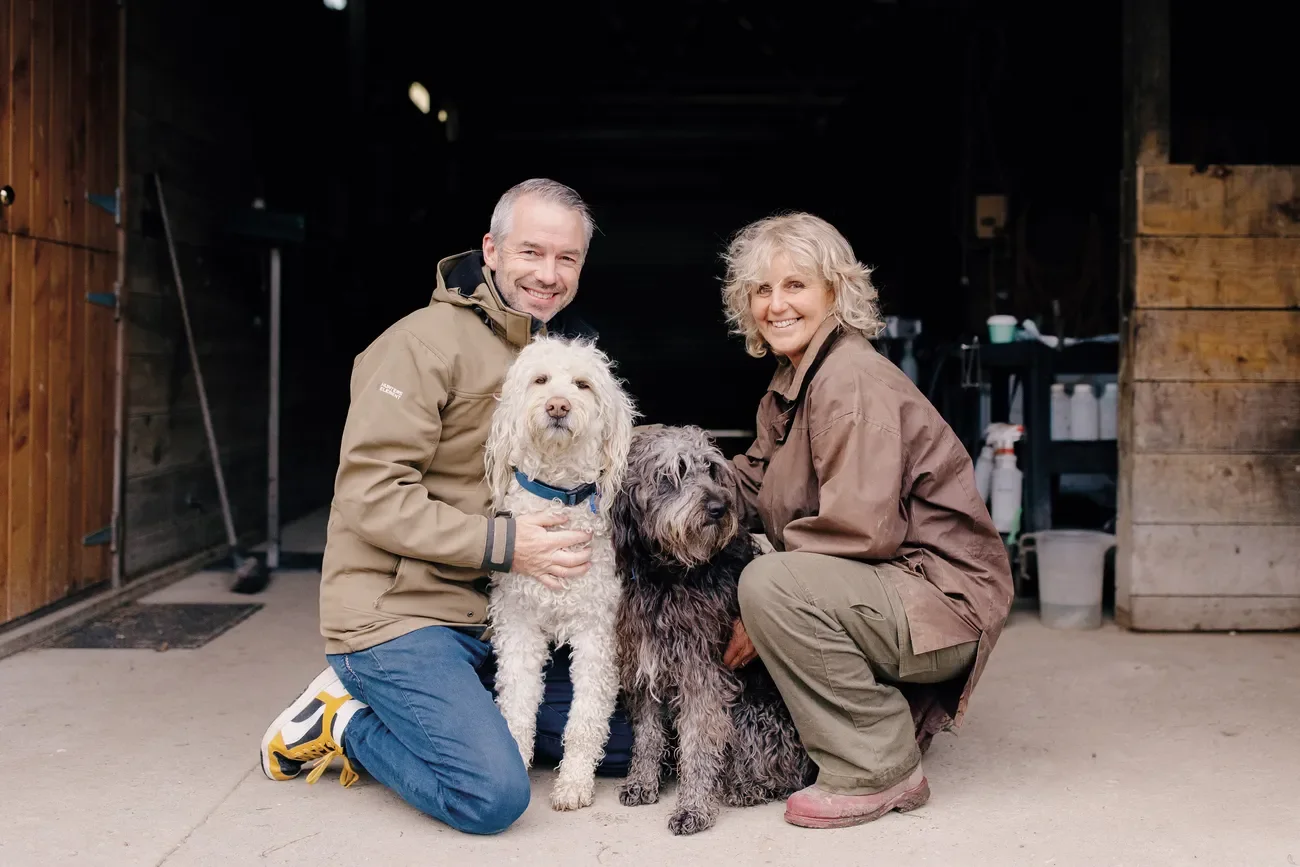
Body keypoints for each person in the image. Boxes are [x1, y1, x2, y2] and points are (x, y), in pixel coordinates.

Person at [259, 178, 630, 835]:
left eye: (566, 258)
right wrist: (506, 544)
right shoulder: (422, 344)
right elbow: (368, 495)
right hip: (402, 613)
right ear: (491, 249)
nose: (548, 274)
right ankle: (345, 719)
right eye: (531, 252)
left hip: (488, 609)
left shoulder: (548, 352)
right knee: (491, 793)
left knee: (623, 742)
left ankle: (452, 713)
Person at [716, 211, 1014, 829]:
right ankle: (871, 725)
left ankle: (877, 766)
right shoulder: (794, 380)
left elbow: (859, 528)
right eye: (762, 289)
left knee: (771, 586)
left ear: (835, 291)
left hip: (942, 602)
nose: (776, 304)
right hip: (897, 591)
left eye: (795, 285)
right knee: (769, 583)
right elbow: (750, 482)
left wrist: (765, 607)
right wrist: (671, 483)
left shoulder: (847, 379)